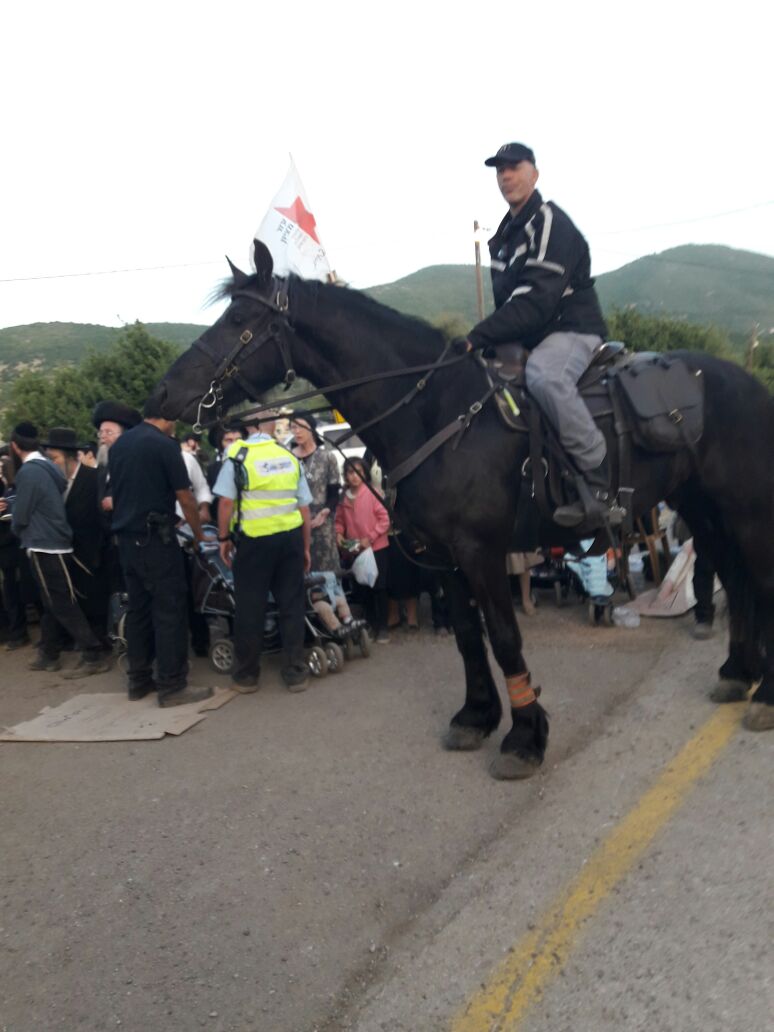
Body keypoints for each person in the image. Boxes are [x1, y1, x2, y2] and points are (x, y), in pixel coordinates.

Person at [467, 142, 616, 530]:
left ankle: (599, 477)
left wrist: (477, 336)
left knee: (545, 377)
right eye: (499, 170)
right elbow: (509, 309)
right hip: (532, 337)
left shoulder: (550, 221)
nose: (505, 176)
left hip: (571, 329)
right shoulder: (504, 236)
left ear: (534, 172)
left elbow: (535, 303)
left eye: (514, 167)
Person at [109, 399, 213, 707]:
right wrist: (197, 535)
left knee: (139, 610)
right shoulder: (165, 446)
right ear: (167, 417)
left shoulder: (119, 445)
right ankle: (172, 685)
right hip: (157, 539)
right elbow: (186, 496)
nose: (177, 425)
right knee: (170, 610)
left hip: (127, 541)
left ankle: (138, 681)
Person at [214, 411, 313, 693]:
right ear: (271, 427)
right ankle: (295, 672)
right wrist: (305, 546)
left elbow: (224, 503)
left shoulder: (237, 455)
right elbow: (304, 507)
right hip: (290, 539)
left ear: (248, 426)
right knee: (291, 605)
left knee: (250, 606)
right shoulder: (288, 457)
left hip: (254, 543)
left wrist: (223, 538)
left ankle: (247, 676)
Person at [9, 422, 110, 677]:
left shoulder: (29, 472)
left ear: (14, 447)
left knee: (61, 602)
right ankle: (49, 652)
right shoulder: (48, 470)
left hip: (45, 546)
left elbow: (21, 514)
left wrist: (17, 528)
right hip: (57, 545)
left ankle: (92, 652)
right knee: (52, 601)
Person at [42, 427, 110, 647]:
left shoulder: (93, 477)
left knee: (95, 603)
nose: (51, 463)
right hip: (67, 554)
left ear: (69, 457)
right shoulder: (54, 483)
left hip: (93, 554)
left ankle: (99, 645)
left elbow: (102, 519)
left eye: (54, 458)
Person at [335, 457, 391, 643]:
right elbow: (339, 522)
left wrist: (371, 537)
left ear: (365, 473)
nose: (355, 477)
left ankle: (383, 628)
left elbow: (385, 519)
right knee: (362, 588)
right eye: (350, 472)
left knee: (379, 587)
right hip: (355, 549)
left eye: (358, 472)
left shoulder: (373, 493)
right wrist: (339, 534)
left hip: (376, 548)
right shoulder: (343, 498)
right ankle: (370, 625)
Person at [290, 411, 341, 576]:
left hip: (322, 522)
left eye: (301, 427)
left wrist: (324, 513)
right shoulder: (288, 457)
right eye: (293, 427)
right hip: (295, 522)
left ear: (311, 428)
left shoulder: (327, 457)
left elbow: (334, 492)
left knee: (326, 571)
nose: (297, 431)